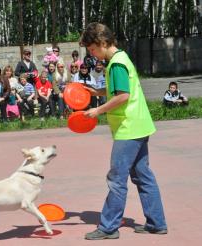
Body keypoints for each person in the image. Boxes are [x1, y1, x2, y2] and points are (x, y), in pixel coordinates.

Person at [80, 22, 167, 240]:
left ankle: (108, 227)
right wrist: (96, 91)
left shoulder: (116, 64)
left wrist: (97, 110)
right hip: (139, 125)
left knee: (117, 179)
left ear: (102, 43)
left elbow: (122, 96)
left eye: (92, 49)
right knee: (142, 176)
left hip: (128, 129)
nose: (92, 54)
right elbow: (117, 90)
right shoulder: (121, 58)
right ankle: (156, 223)